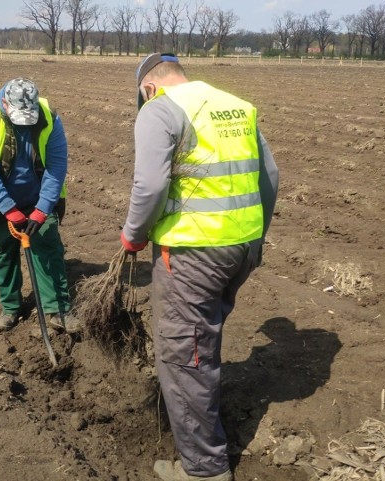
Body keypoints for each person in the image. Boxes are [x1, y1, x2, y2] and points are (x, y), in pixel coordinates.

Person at [120, 53, 279, 481]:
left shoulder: (160, 110)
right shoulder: (234, 106)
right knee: (202, 339)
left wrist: (133, 235)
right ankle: (206, 422)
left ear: (149, 88)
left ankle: (204, 469)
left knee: (182, 356)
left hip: (193, 254)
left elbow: (150, 184)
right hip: (241, 246)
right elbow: (270, 175)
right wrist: (254, 235)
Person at [0, 77, 80, 333]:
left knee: (48, 248)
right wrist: (9, 209)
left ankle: (57, 309)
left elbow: (56, 167)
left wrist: (41, 211)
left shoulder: (49, 117)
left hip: (37, 195)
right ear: (6, 104)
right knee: (4, 253)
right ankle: (11, 307)